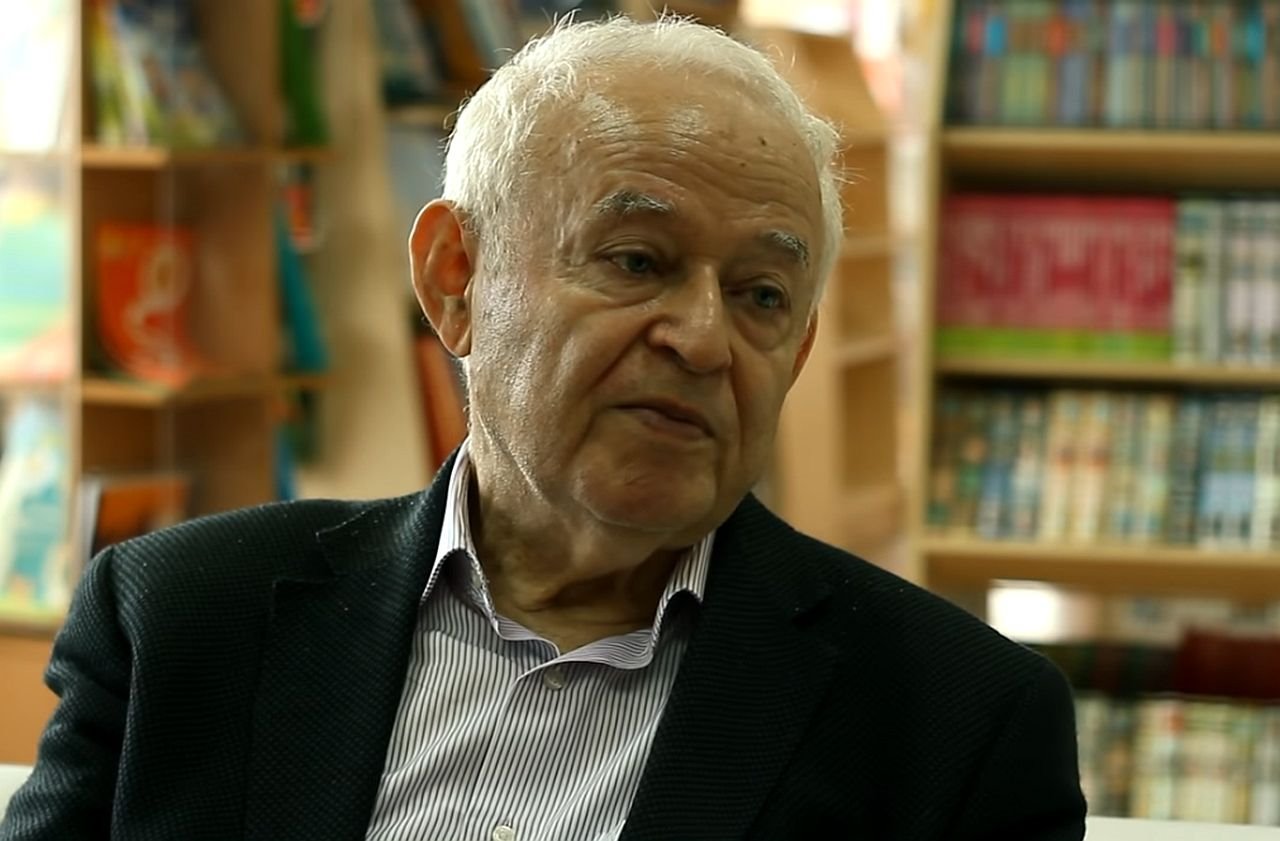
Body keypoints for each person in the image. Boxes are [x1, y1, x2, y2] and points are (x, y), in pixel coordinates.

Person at [1, 15, 1085, 841]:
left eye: (760, 294)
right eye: (637, 260)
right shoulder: (179, 623)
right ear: (455, 278)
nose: (703, 339)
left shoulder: (955, 726)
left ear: (797, 354)